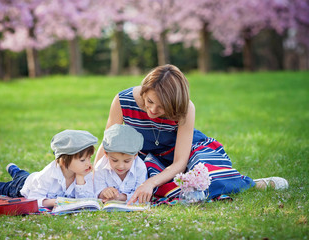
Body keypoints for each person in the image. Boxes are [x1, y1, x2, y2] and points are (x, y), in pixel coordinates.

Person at [94, 64, 288, 205]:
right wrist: (93, 177)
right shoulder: (123, 100)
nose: (152, 110)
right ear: (145, 90)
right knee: (154, 187)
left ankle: (252, 184)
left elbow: (180, 161)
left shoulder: (186, 108)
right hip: (148, 157)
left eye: (162, 107)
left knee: (203, 178)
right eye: (150, 101)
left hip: (183, 151)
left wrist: (150, 183)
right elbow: (109, 142)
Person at [0, 129, 98, 208]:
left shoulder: (82, 172)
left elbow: (85, 200)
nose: (88, 163)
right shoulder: (48, 175)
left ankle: (15, 170)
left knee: (24, 175)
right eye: (82, 160)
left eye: (89, 158)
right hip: (21, 188)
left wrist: (80, 179)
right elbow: (33, 199)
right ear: (64, 160)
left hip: (31, 178)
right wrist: (54, 202)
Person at [94, 124, 147, 203]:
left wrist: (121, 197)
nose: (121, 166)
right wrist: (104, 193)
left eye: (127, 161)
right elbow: (96, 192)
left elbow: (140, 194)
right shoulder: (100, 167)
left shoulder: (140, 167)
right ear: (106, 154)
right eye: (115, 160)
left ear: (135, 155)